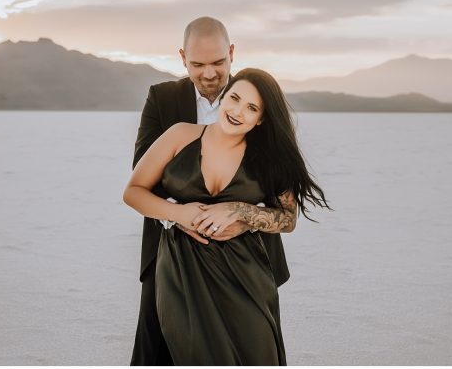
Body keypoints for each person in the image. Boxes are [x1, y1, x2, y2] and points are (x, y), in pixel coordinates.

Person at [124, 67, 328, 364]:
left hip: (246, 279)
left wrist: (241, 211)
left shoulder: (269, 160)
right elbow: (133, 191)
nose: (237, 111)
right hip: (182, 275)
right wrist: (179, 213)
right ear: (224, 97)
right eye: (234, 98)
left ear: (261, 119)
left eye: (251, 108)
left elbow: (288, 219)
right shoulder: (180, 135)